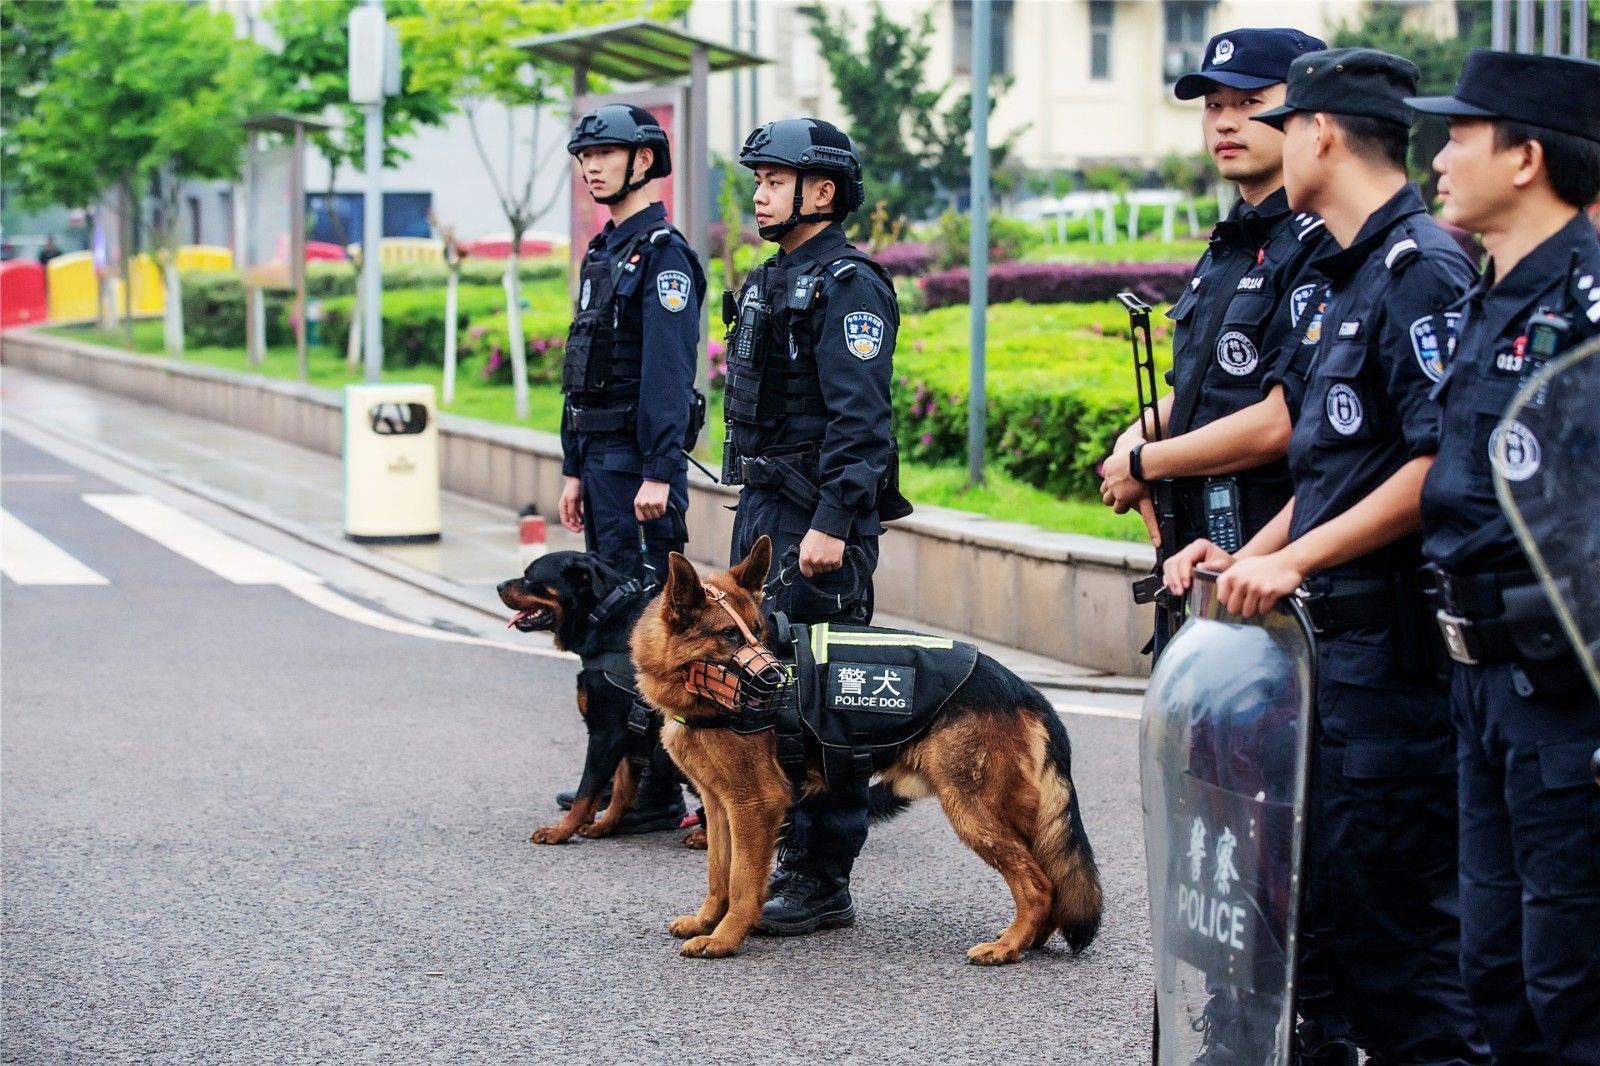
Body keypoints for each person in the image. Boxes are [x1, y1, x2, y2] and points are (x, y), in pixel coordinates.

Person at [1164, 49, 1489, 1064]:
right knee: (1323, 932)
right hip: (1324, 663)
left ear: (1319, 134)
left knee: (1402, 959)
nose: (1256, 130)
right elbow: (1336, 463)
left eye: (1278, 117)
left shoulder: (1419, 267)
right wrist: (1245, 555)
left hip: (1386, 665)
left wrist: (1293, 562)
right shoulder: (1343, 275)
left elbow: (1436, 460)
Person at [1407, 49, 1600, 1063]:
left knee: (1567, 974)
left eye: (1460, 135)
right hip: (1479, 678)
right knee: (1489, 963)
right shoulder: (1491, 291)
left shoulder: (1586, 306)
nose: (1437, 157)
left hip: (1563, 685)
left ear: (1524, 156)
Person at [722, 117, 910, 936]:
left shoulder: (848, 285)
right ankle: (775, 864)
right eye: (757, 180)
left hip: (816, 521)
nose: (759, 193)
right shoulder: (773, 278)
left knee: (822, 702)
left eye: (774, 179)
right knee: (763, 689)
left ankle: (820, 878)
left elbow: (862, 422)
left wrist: (833, 521)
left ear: (821, 191)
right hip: (765, 513)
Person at [557, 103, 706, 833]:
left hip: (640, 473)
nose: (591, 165)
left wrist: (659, 470)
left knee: (647, 629)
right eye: (584, 155)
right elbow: (582, 368)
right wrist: (573, 466)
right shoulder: (604, 252)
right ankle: (627, 777)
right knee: (612, 630)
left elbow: (667, 376)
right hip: (603, 463)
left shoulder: (664, 256)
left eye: (606, 153)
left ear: (644, 161)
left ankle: (655, 791)